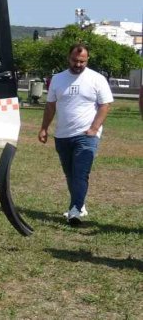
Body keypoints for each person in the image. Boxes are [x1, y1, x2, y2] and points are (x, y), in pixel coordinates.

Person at [38, 44, 113, 226]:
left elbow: (105, 105)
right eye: (75, 60)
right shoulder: (57, 79)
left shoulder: (97, 79)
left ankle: (75, 210)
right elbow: (50, 106)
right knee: (70, 174)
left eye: (82, 61)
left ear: (87, 60)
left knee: (80, 173)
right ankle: (80, 204)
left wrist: (94, 129)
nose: (78, 64)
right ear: (68, 58)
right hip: (63, 135)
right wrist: (44, 128)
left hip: (86, 135)